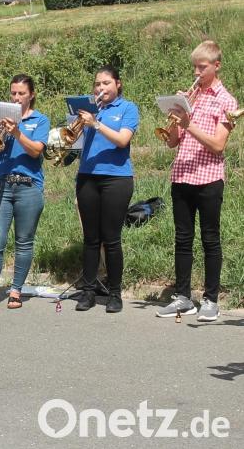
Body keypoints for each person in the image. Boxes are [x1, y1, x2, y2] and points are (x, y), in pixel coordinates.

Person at [156, 40, 238, 322]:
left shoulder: (226, 101)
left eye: (202, 68)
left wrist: (189, 123)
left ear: (216, 65)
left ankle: (211, 299)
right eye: (194, 67)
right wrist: (176, 123)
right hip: (182, 174)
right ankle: (182, 297)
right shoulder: (192, 96)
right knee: (182, 238)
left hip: (208, 178)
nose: (196, 73)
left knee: (210, 238)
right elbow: (173, 143)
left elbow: (217, 145)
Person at [0, 75, 50, 311]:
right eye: (13, 93)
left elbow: (36, 151)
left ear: (31, 95)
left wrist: (17, 132)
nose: (16, 98)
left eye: (21, 94)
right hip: (2, 184)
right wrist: (0, 131)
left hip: (28, 186)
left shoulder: (40, 120)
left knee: (24, 241)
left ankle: (16, 290)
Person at [73, 65, 139, 313]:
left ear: (118, 84)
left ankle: (115, 293)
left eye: (106, 83)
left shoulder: (127, 108)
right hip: (87, 176)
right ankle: (88, 291)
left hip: (116, 179)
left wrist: (97, 124)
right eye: (97, 84)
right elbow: (74, 142)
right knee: (90, 239)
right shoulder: (88, 111)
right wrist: (71, 133)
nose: (100, 88)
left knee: (111, 239)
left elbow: (123, 140)